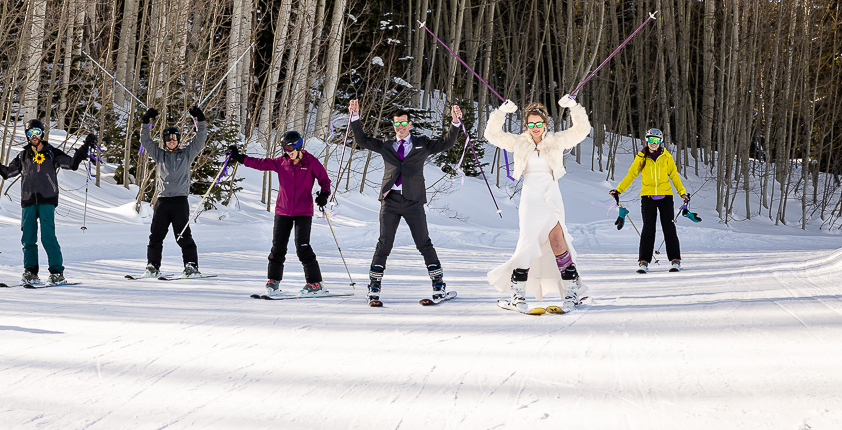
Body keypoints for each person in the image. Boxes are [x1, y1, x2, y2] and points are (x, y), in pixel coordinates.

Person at [348, 99, 464, 304]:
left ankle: (438, 285)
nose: (400, 127)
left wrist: (455, 124)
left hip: (413, 201)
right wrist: (355, 116)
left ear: (410, 124)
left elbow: (447, 143)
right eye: (396, 124)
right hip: (390, 201)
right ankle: (374, 287)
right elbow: (362, 139)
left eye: (403, 123)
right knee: (384, 244)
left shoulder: (422, 143)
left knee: (423, 243)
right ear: (393, 125)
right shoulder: (386, 145)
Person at [484, 95, 591, 313]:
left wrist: (574, 106)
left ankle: (570, 293)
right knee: (527, 242)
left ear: (545, 124)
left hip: (551, 195)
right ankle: (517, 296)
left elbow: (582, 130)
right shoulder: (519, 142)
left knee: (558, 241)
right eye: (531, 123)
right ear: (526, 125)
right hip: (530, 196)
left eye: (539, 123)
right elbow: (491, 134)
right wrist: (501, 112)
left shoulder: (556, 140)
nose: (535, 127)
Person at [0, 119, 96, 285]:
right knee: (28, 239)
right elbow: (8, 173)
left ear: (42, 133)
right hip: (28, 201)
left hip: (47, 200)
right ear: (27, 135)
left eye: (37, 132)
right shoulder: (23, 155)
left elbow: (72, 164)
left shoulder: (52, 153)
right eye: (30, 133)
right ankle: (30, 272)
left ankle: (57, 273)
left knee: (48, 237)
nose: (34, 136)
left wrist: (85, 147)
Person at [228, 131, 331, 296]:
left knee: (302, 247)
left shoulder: (311, 162)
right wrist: (240, 157)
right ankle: (273, 281)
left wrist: (324, 194)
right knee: (278, 247)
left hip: (303, 211)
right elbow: (260, 163)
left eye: (290, 147)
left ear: (298, 145)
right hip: (283, 210)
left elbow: (324, 180)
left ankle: (315, 282)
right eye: (284, 148)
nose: (287, 151)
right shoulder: (281, 162)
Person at [139, 104, 209, 277]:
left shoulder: (186, 154)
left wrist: (201, 119)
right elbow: (146, 141)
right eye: (168, 138)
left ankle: (191, 266)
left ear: (178, 140)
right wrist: (145, 121)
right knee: (156, 236)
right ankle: (152, 266)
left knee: (183, 236)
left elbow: (200, 139)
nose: (171, 141)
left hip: (179, 202)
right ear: (165, 141)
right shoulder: (159, 155)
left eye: (174, 138)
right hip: (162, 202)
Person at [611, 127, 691, 273]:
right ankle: (643, 261)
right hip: (648, 197)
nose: (653, 143)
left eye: (656, 140)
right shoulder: (641, 157)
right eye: (650, 140)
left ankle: (675, 260)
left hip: (666, 197)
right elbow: (631, 175)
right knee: (648, 228)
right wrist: (618, 190)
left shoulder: (666, 157)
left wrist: (682, 193)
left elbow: (674, 176)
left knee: (669, 228)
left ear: (660, 142)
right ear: (646, 141)